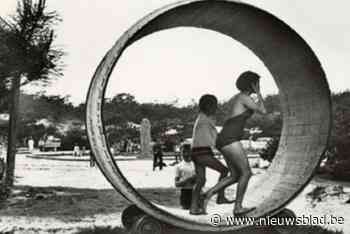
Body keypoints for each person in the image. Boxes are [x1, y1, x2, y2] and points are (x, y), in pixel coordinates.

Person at [213, 71, 267, 216]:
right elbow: (263, 110)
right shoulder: (244, 97)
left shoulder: (239, 97)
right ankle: (238, 207)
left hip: (225, 137)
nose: (259, 85)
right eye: (257, 83)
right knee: (247, 173)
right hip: (230, 138)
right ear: (253, 84)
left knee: (235, 175)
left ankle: (206, 195)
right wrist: (259, 93)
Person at [190, 94, 233, 215]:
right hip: (202, 152)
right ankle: (220, 197)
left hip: (196, 152)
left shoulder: (202, 118)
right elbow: (214, 140)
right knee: (224, 171)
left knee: (201, 181)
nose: (216, 109)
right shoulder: (205, 121)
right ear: (207, 106)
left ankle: (193, 208)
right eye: (214, 106)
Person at [174, 144, 196, 209]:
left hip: (196, 192)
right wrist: (188, 179)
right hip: (185, 193)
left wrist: (196, 179)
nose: (186, 154)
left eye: (188, 151)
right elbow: (176, 184)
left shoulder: (196, 165)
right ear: (181, 153)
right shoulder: (179, 166)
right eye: (183, 152)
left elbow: (202, 180)